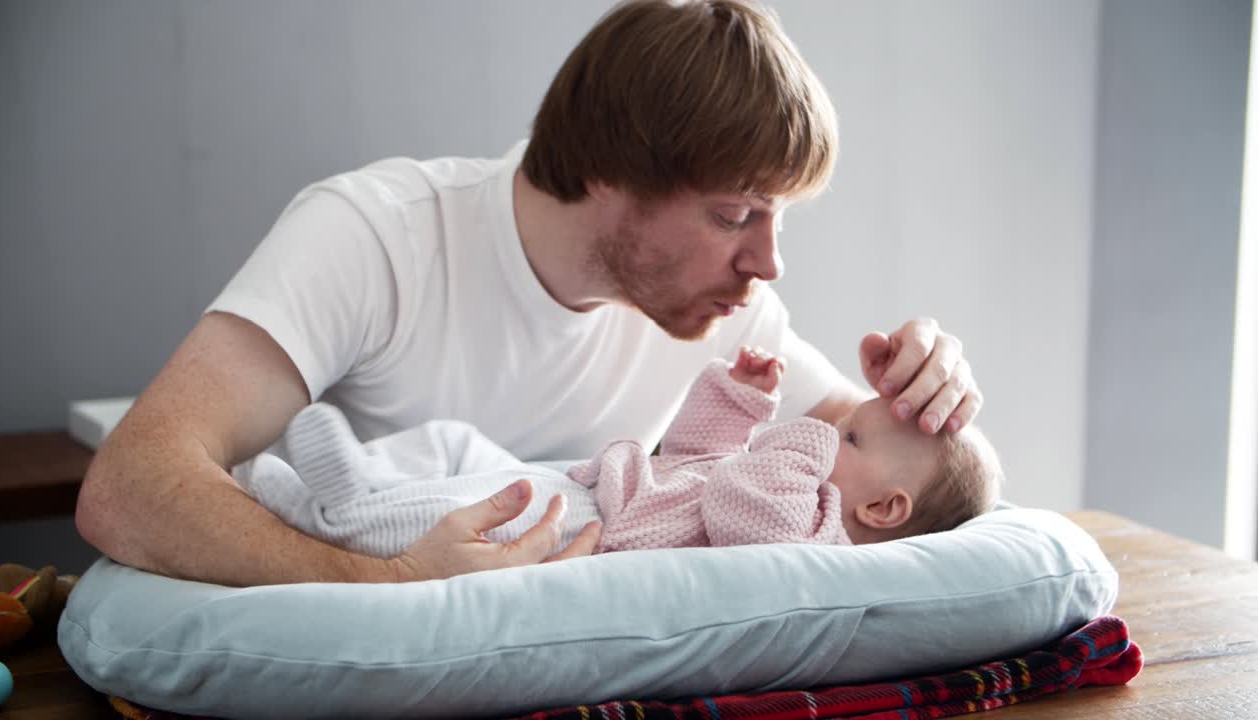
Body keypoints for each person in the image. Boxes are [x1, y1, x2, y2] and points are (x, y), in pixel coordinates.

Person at [76, 0, 984, 587]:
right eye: (736, 213)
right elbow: (127, 488)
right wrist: (387, 586)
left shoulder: (725, 308)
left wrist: (922, 383)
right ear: (605, 172)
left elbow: (864, 468)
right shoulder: (375, 235)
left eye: (778, 217)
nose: (767, 265)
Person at [235, 347, 1002, 578]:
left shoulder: (815, 539)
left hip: (599, 525)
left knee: (451, 518)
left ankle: (335, 511)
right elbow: (703, 458)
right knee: (459, 458)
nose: (831, 432)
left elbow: (739, 502)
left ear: (885, 510)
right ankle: (341, 490)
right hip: (601, 484)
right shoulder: (794, 486)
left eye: (855, 441)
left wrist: (805, 436)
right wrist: (737, 401)